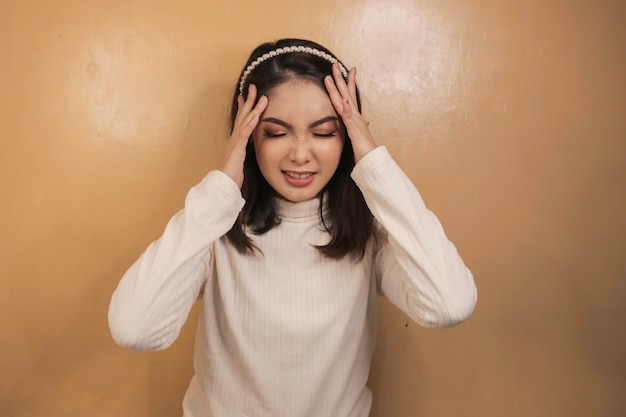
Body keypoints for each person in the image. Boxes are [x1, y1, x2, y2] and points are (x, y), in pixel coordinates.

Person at [108, 38, 477, 417]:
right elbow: (135, 328)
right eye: (277, 132)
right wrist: (219, 189)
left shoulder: (369, 237)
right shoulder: (214, 229)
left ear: (347, 138)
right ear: (249, 137)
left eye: (324, 132)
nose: (301, 153)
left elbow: (449, 304)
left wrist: (373, 164)